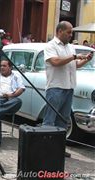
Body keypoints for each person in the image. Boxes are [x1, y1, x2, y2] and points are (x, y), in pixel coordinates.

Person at [42, 21, 93, 157]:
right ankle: (45, 149)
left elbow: (75, 65)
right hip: (55, 88)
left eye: (71, 32)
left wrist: (86, 59)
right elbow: (55, 62)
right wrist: (74, 57)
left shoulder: (70, 47)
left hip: (69, 88)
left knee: (63, 121)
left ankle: (58, 149)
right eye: (68, 32)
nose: (71, 35)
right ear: (59, 31)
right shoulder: (51, 46)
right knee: (49, 119)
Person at [0, 59, 25, 143]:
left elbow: (22, 88)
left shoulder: (16, 76)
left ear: (10, 67)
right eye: (0, 66)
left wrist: (11, 95)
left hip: (10, 101)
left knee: (18, 101)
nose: (1, 67)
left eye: (4, 66)